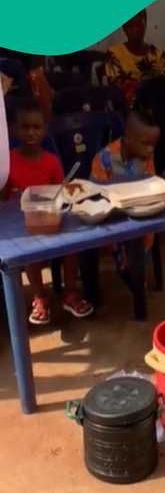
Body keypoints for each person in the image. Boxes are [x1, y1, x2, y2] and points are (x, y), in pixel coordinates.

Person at [2, 99, 93, 325]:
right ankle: (40, 296)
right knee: (30, 253)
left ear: (45, 129)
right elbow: (5, 200)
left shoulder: (52, 162)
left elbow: (60, 192)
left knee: (71, 246)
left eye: (37, 127)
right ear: (14, 129)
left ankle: (70, 293)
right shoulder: (8, 163)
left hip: (52, 220)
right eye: (25, 127)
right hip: (24, 226)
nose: (31, 132)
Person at [91, 106, 161, 286]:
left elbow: (151, 183)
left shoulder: (145, 158)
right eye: (146, 143)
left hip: (139, 212)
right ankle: (128, 268)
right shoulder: (104, 158)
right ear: (129, 139)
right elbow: (97, 195)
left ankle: (134, 269)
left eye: (154, 144)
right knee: (120, 237)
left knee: (144, 232)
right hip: (112, 215)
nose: (151, 149)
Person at [104, 9, 165, 105]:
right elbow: (118, 93)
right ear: (124, 28)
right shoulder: (114, 54)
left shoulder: (159, 55)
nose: (135, 30)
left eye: (139, 25)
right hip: (127, 112)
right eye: (130, 26)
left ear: (145, 23)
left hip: (158, 108)